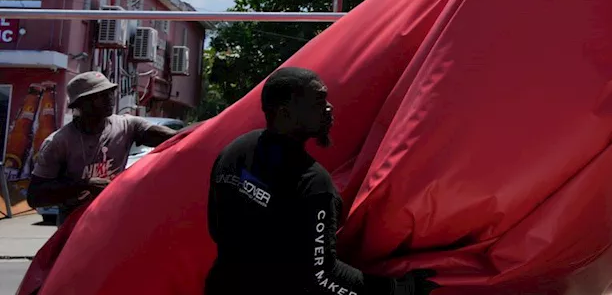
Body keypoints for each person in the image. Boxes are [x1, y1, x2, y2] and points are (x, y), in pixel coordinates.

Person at [204, 67, 437, 295]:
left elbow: (215, 229)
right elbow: (322, 275)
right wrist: (398, 289)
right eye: (318, 102)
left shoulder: (233, 152)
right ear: (286, 114)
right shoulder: (313, 183)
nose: (329, 108)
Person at [27, 71, 178, 222]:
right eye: (99, 95)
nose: (109, 98)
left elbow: (175, 139)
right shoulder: (59, 142)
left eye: (110, 92)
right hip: (75, 226)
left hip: (114, 221)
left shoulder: (128, 125)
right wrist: (84, 186)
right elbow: (35, 197)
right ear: (80, 104)